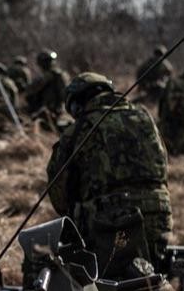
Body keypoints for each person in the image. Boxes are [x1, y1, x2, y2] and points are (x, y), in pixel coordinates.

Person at [45, 72, 172, 279]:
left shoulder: (77, 131)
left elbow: (59, 193)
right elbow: (163, 165)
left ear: (77, 104)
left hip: (110, 223)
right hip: (159, 216)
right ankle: (168, 279)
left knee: (111, 285)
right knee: (152, 272)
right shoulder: (144, 117)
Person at [24, 49, 71, 128]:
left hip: (53, 112)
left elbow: (65, 95)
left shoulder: (55, 75)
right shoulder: (55, 75)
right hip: (47, 111)